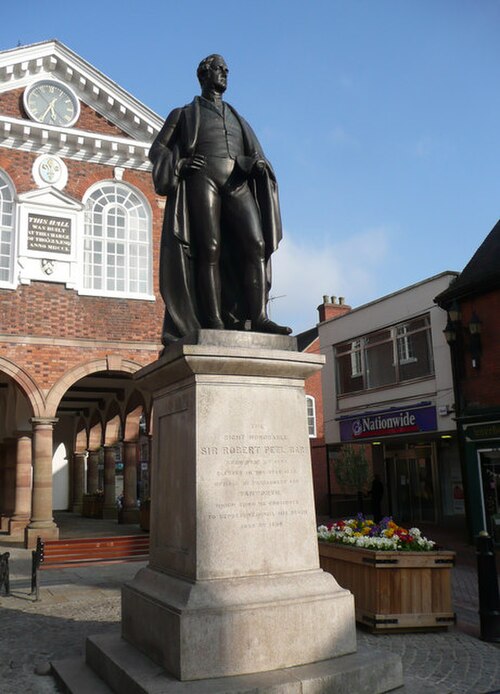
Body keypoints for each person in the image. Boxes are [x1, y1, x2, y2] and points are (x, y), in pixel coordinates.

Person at [149, 54, 292, 345]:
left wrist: (259, 165)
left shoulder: (237, 117)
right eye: (218, 69)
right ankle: (212, 319)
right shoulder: (184, 113)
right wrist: (179, 165)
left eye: (227, 69)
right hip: (204, 180)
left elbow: (255, 152)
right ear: (203, 74)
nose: (225, 73)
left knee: (256, 244)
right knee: (209, 247)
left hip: (237, 182)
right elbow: (157, 150)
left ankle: (259, 316)